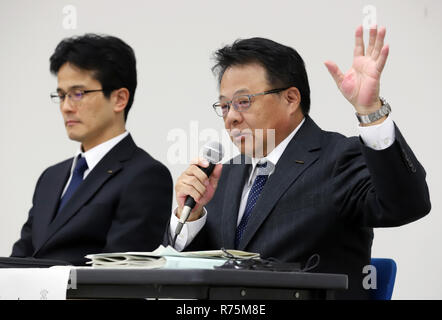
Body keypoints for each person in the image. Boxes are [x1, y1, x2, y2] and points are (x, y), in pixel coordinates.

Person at [167, 26, 431, 299]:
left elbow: (407, 205)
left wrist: (371, 111)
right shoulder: (222, 174)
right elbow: (188, 276)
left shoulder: (338, 158)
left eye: (243, 101)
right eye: (224, 106)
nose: (230, 117)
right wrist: (192, 215)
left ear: (291, 99)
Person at [11, 34, 173, 265]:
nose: (66, 107)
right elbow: (20, 259)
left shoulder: (145, 176)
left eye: (78, 94)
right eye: (61, 95)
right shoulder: (51, 177)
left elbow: (118, 276)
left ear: (119, 99)